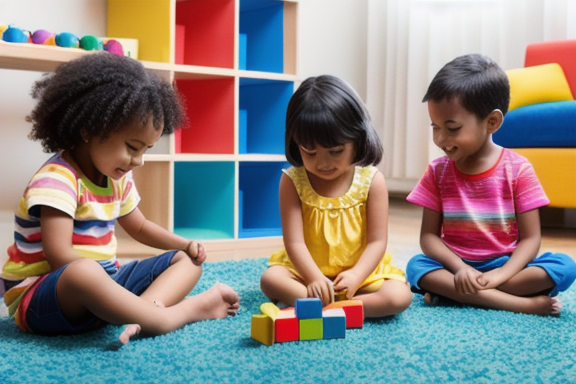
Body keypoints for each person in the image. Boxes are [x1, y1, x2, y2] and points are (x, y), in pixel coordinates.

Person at [1, 52, 240, 344]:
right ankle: (171, 315)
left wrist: (185, 244)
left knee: (187, 262)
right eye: (131, 147)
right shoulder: (57, 179)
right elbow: (59, 255)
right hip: (43, 299)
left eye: (145, 150)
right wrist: (110, 288)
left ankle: (143, 314)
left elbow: (139, 227)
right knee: (84, 272)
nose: (138, 160)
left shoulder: (117, 178)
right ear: (89, 129)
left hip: (103, 293)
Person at [405, 54, 576, 315]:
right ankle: (518, 303)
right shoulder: (437, 171)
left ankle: (455, 295)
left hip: (505, 267)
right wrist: (461, 268)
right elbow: (428, 237)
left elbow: (531, 240)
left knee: (565, 265)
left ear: (492, 122)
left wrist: (498, 276)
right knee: (417, 266)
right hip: (455, 267)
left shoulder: (519, 169)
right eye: (435, 127)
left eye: (452, 128)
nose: (440, 138)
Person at [260, 75, 412, 318]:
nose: (323, 163)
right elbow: (294, 243)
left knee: (399, 296)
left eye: (336, 151)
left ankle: (329, 308)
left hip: (360, 276)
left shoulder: (372, 181)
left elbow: (377, 243)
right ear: (295, 142)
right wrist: (314, 278)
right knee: (270, 279)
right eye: (310, 152)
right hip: (306, 273)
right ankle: (332, 304)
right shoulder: (292, 181)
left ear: (358, 139)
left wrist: (355, 276)